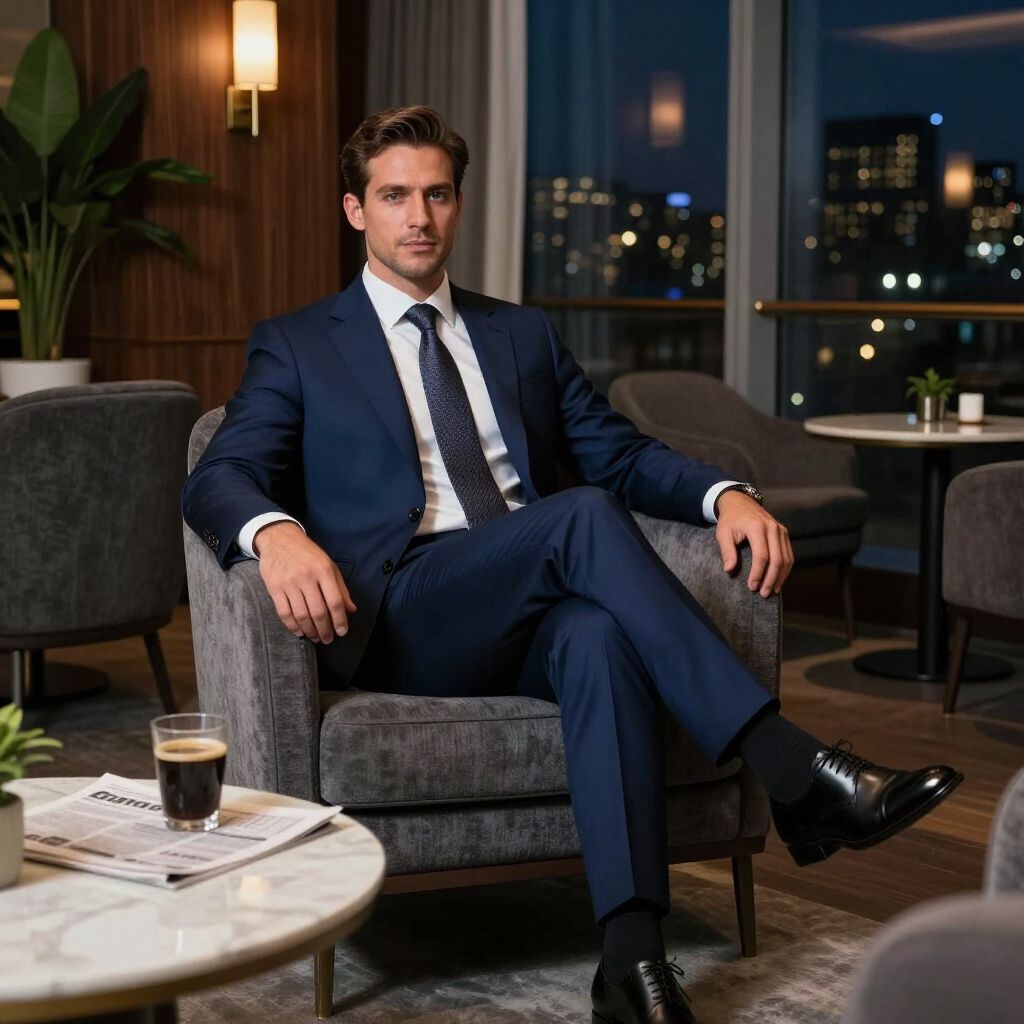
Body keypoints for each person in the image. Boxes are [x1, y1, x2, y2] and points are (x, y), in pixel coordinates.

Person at [183, 106, 962, 1024]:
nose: (418, 217)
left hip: (527, 598)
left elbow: (619, 454)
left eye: (436, 194)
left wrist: (725, 495)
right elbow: (221, 472)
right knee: (580, 518)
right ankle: (793, 770)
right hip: (403, 609)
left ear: (459, 206)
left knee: (597, 635)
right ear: (357, 211)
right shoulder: (301, 341)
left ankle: (631, 966)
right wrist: (276, 533)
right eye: (394, 196)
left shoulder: (519, 334)